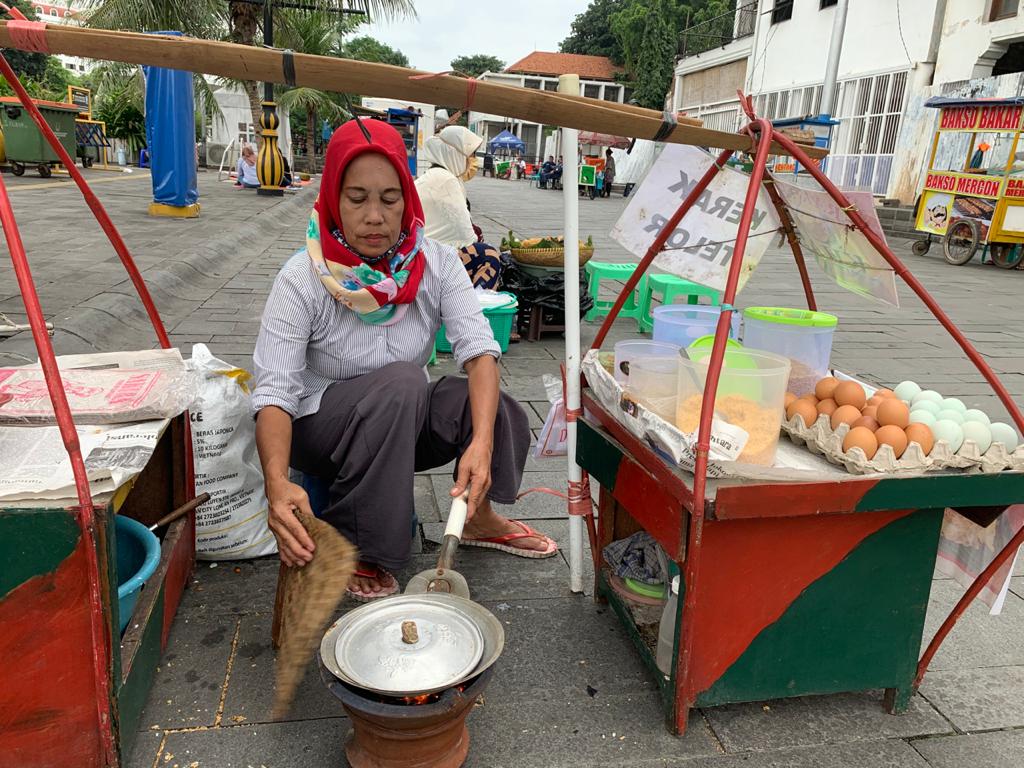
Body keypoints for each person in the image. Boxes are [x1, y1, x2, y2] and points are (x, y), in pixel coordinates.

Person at [252, 119, 556, 602]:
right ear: (333, 197)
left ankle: (477, 518)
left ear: (407, 199)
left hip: (398, 419)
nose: (375, 215)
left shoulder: (436, 262)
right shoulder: (302, 278)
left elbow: (479, 352)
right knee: (402, 382)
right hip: (320, 429)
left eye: (389, 198)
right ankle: (364, 545)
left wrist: (479, 443)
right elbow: (272, 394)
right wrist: (274, 483)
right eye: (357, 198)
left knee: (491, 404)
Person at [416, 125, 503, 290]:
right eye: (470, 155)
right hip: (426, 260)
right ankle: (474, 308)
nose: (473, 161)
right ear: (453, 154)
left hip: (423, 253)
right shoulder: (445, 180)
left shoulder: (436, 175)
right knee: (489, 255)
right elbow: (467, 235)